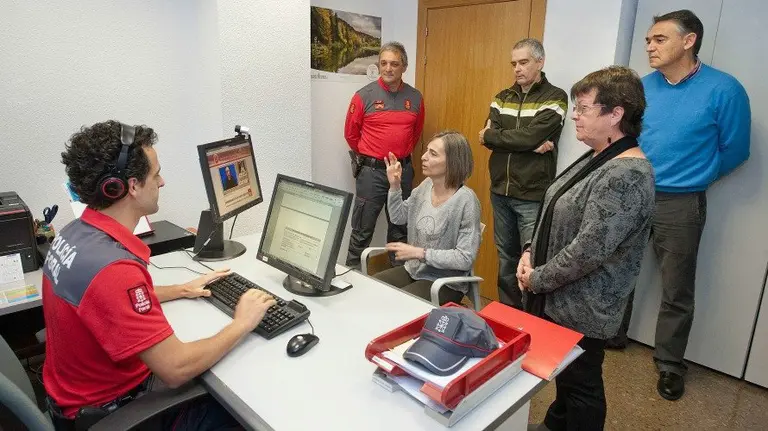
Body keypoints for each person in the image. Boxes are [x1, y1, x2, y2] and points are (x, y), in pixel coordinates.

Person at [43, 120, 276, 430]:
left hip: (73, 402)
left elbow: (102, 303)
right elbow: (176, 368)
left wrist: (179, 289)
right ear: (130, 186)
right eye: (156, 174)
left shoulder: (74, 235)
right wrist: (242, 323)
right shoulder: (114, 271)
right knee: (245, 405)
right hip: (112, 414)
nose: (162, 182)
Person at [609, 10, 751, 401]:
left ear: (688, 41)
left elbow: (736, 149)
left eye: (659, 39)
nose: (650, 46)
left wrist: (698, 174)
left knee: (677, 288)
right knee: (618, 270)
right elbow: (624, 135)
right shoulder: (642, 88)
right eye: (648, 40)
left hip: (681, 202)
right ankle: (612, 334)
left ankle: (670, 365)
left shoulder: (724, 89)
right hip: (633, 195)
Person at [519, 67, 655, 431]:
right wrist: (530, 250)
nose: (574, 115)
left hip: (584, 305)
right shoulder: (598, 155)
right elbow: (555, 207)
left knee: (582, 385)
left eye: (582, 108)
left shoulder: (627, 173)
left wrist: (537, 279)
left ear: (615, 114)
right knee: (571, 380)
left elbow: (588, 250)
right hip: (562, 295)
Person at [478, 38, 568, 310]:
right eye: (514, 63)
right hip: (500, 191)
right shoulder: (501, 97)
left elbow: (528, 135)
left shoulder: (556, 97)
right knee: (505, 257)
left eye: (523, 62)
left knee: (531, 260)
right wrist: (526, 142)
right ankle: (508, 313)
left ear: (540, 62)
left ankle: (530, 319)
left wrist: (503, 137)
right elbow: (486, 136)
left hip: (531, 194)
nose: (517, 68)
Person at [373, 131, 481, 305]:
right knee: (372, 289)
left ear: (453, 162)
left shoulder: (467, 200)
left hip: (446, 281)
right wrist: (394, 185)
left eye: (433, 154)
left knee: (398, 304)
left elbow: (465, 258)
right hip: (414, 269)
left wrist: (420, 253)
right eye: (427, 151)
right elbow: (397, 217)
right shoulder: (425, 186)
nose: (423, 157)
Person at [344, 41, 425, 269]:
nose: (388, 68)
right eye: (384, 63)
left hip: (403, 172)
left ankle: (397, 283)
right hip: (372, 174)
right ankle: (351, 278)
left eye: (394, 64)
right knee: (361, 231)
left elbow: (415, 133)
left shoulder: (415, 98)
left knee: (400, 231)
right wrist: (374, 156)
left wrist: (399, 157)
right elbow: (351, 135)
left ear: (404, 67)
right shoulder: (363, 96)